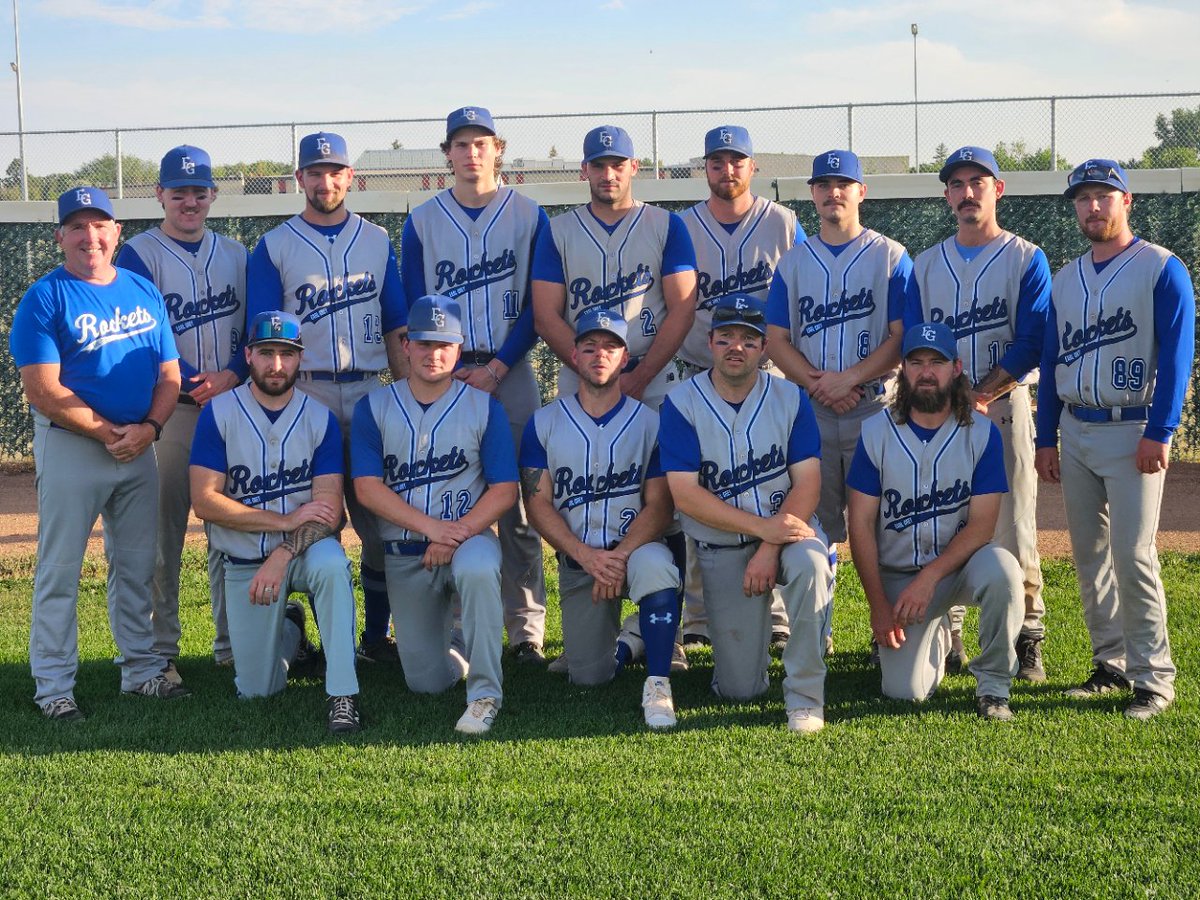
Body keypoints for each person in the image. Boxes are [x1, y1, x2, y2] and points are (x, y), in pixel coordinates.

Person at [10, 186, 190, 720]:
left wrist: (152, 428)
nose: (90, 236)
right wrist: (113, 431)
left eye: (100, 225)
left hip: (139, 445)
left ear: (117, 233)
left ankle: (140, 671)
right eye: (78, 226)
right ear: (60, 236)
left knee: (137, 565)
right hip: (73, 446)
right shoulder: (45, 296)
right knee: (60, 570)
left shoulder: (141, 289)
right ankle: (54, 686)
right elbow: (42, 389)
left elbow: (168, 374)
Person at [1035, 159, 1195, 721]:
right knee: (1089, 557)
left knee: (1133, 554)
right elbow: (1053, 359)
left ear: (1127, 201)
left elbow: (1177, 358)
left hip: (1134, 428)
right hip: (1076, 427)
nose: (1093, 206)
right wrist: (1044, 437)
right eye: (1083, 198)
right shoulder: (1066, 276)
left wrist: (1161, 430)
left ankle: (1154, 680)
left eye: (1104, 195)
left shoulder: (1161, 268)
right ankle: (1111, 665)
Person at [247, 131, 407, 664]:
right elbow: (264, 334)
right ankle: (316, 636)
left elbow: (397, 324)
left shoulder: (377, 240)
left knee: (381, 526)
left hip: (367, 389)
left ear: (349, 177)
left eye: (334, 171)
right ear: (300, 179)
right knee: (314, 521)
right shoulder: (275, 245)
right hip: (305, 391)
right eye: (314, 172)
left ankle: (376, 638)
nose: (325, 181)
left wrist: (407, 394)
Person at [402, 106, 551, 665]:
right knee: (456, 494)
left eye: (481, 142)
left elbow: (540, 308)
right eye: (460, 144)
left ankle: (525, 629)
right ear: (447, 154)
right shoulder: (421, 220)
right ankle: (461, 627)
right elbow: (418, 310)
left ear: (498, 149)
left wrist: (497, 368)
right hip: (443, 374)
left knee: (518, 503)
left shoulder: (530, 214)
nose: (471, 153)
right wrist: (436, 371)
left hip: (508, 371)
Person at [904, 146, 1051, 680]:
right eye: (957, 184)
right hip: (936, 410)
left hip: (1004, 406)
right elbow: (914, 343)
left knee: (1013, 524)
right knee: (945, 517)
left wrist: (982, 392)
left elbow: (1032, 340)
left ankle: (1027, 634)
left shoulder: (1025, 257)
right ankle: (953, 633)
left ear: (998, 189)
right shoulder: (925, 264)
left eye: (978, 182)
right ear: (947, 195)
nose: (968, 193)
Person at [658, 293, 832, 734]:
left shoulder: (791, 398)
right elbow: (686, 496)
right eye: (727, 337)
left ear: (764, 347)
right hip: (723, 545)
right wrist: (762, 531)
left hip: (788, 537)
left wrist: (769, 545)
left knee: (811, 562)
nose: (737, 346)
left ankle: (805, 698)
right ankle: (744, 663)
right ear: (711, 341)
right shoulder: (681, 403)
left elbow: (808, 484)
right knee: (740, 690)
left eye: (749, 339)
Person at [351, 295, 517, 735]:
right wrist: (433, 531)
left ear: (458, 349)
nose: (433, 353)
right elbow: (367, 488)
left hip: (470, 541)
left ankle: (485, 694)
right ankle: (459, 642)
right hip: (406, 552)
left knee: (480, 567)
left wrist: (456, 535)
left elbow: (504, 490)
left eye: (443, 344)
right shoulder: (374, 407)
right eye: (423, 343)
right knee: (425, 683)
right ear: (405, 345)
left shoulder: (484, 407)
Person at [189, 310, 361, 733]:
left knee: (332, 565)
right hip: (245, 557)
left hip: (302, 552)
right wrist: (284, 520)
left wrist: (284, 552)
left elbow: (329, 512)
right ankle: (291, 630)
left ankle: (343, 694)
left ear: (300, 359)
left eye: (287, 354)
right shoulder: (220, 413)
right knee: (257, 690)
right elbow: (205, 502)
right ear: (248, 355)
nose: (277, 365)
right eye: (267, 353)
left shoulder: (319, 417)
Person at [116, 144, 248, 675]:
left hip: (231, 408)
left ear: (213, 194)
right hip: (171, 411)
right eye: (179, 193)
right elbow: (135, 335)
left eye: (199, 192)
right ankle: (160, 652)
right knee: (162, 532)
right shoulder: (138, 255)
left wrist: (232, 374)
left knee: (231, 528)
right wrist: (194, 381)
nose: (189, 202)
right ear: (160, 195)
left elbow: (258, 328)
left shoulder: (238, 254)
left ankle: (233, 642)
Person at [846, 322, 1023, 719]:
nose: (927, 372)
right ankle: (938, 637)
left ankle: (994, 687)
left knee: (1003, 570)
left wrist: (929, 579)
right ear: (903, 370)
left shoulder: (982, 433)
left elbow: (982, 526)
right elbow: (859, 526)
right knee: (905, 693)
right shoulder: (875, 431)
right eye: (917, 362)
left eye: (937, 362)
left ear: (956, 368)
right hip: (898, 575)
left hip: (957, 570)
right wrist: (878, 606)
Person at [520, 308, 681, 728]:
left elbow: (661, 506)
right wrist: (587, 557)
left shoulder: (650, 423)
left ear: (625, 358)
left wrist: (621, 555)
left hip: (634, 552)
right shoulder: (543, 423)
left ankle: (658, 683)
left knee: (657, 565)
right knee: (589, 677)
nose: (599, 355)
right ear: (573, 356)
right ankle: (630, 643)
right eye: (589, 347)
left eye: (611, 347)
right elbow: (538, 505)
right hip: (581, 562)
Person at [678, 124, 801, 650]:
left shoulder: (783, 222)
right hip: (695, 376)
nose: (727, 170)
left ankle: (776, 617)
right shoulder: (683, 226)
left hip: (764, 374)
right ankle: (700, 619)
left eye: (737, 161)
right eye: (717, 161)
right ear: (704, 167)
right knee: (703, 494)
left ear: (754, 167)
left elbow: (796, 299)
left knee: (765, 486)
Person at [531, 124, 698, 411]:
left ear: (634, 166)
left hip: (653, 376)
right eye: (599, 165)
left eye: (617, 164)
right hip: (580, 378)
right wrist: (593, 374)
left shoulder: (667, 225)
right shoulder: (558, 232)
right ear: (585, 169)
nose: (608, 175)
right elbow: (546, 317)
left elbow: (683, 309)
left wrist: (641, 377)